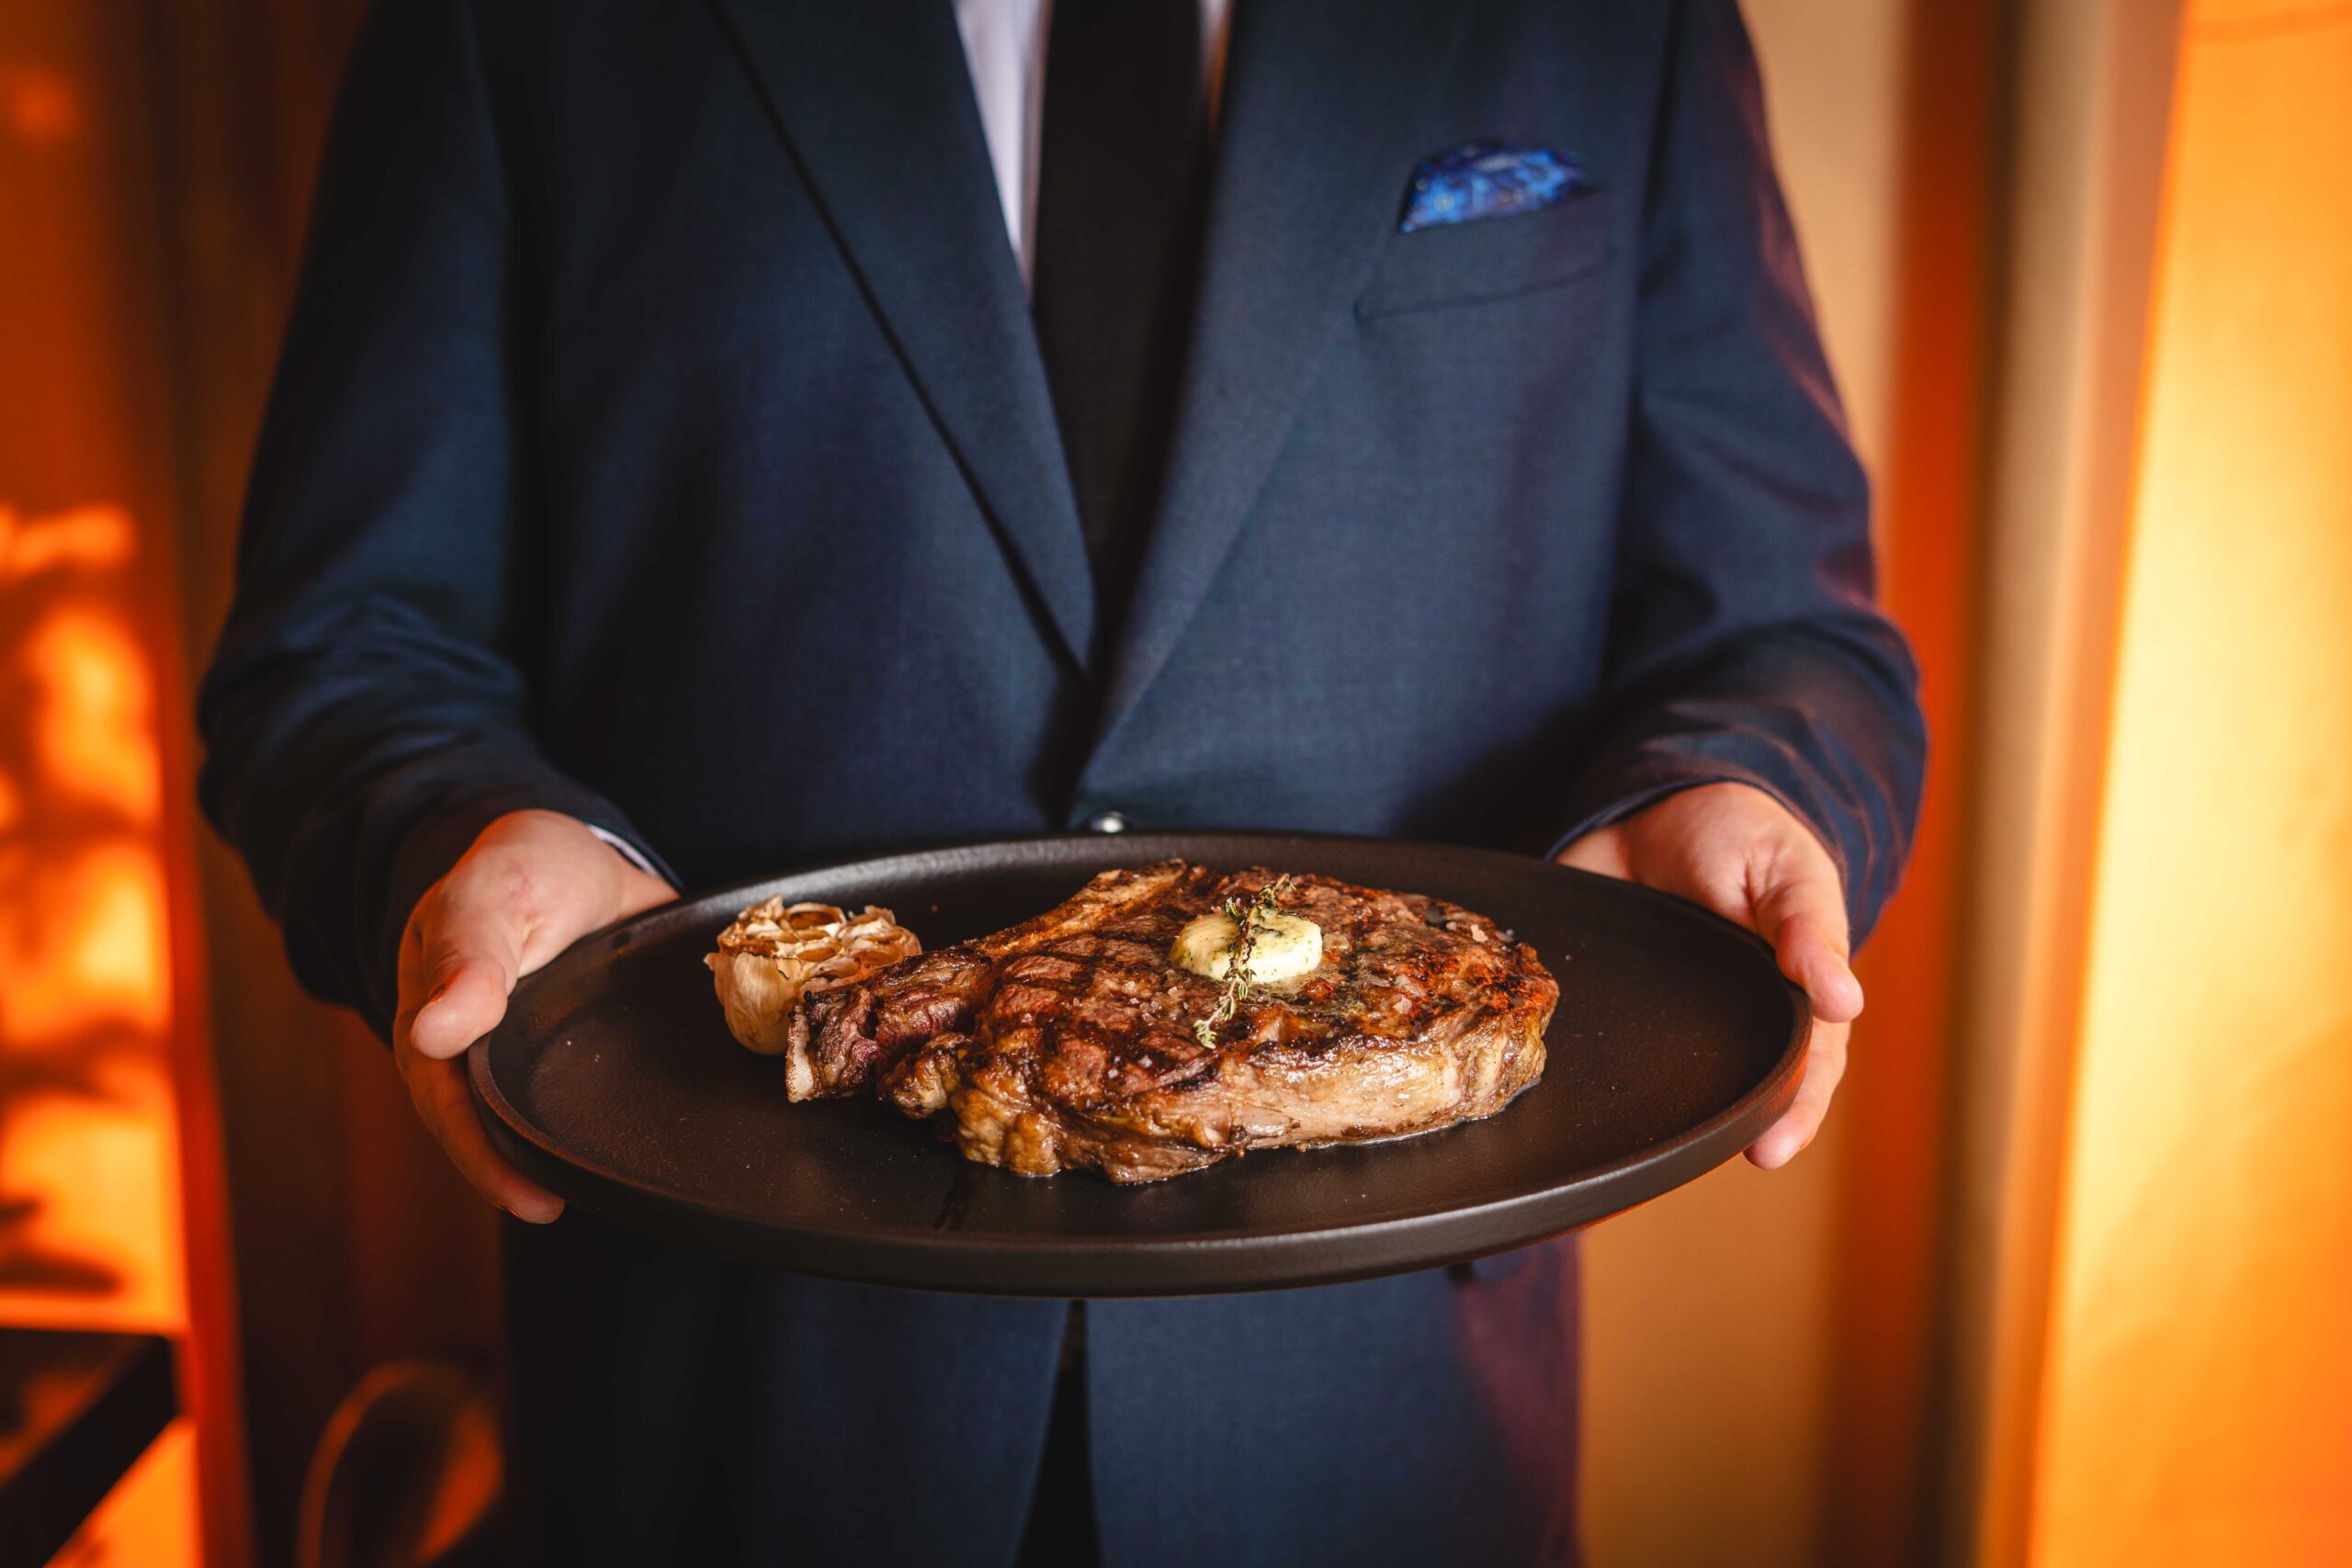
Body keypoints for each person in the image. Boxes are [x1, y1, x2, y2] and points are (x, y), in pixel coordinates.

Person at [198, 0, 1924, 1562]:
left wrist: (1750, 780)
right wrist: (460, 839)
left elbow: (1785, 628)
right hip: (735, 1408)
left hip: (1381, 1434)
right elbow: (342, 643)